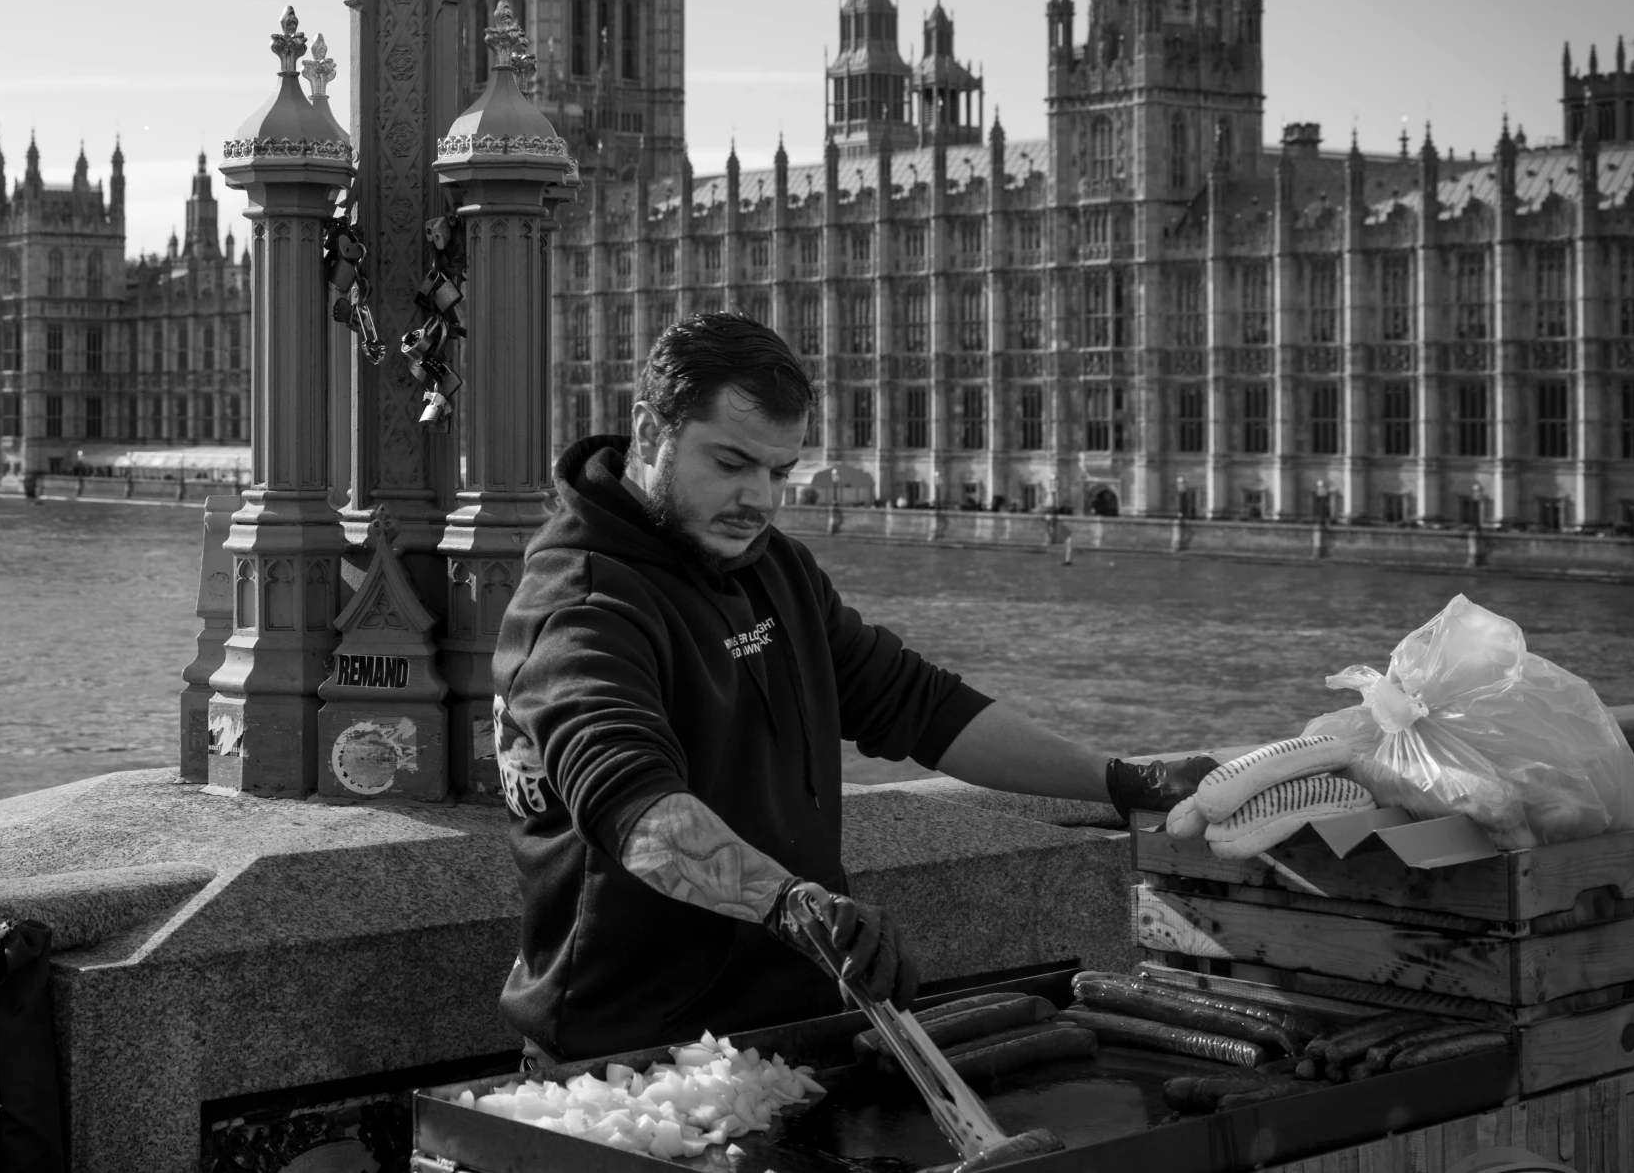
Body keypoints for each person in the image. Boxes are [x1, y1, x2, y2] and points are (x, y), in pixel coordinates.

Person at [492, 312, 1211, 1064]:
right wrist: (791, 903)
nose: (759, 499)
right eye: (730, 462)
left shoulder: (774, 566)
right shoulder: (579, 602)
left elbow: (920, 705)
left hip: (801, 1024)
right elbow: (631, 806)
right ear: (647, 432)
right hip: (631, 1054)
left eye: (778, 472)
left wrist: (1122, 779)